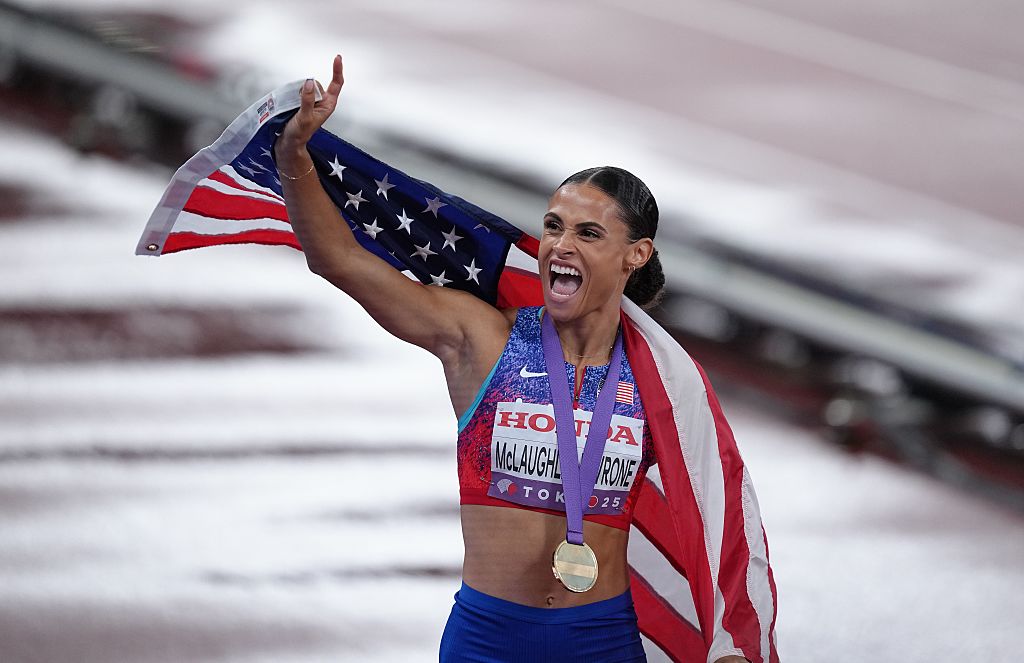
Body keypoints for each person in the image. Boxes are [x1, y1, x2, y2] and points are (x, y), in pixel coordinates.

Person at [273, 55, 772, 663]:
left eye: (588, 235)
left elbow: (710, 511)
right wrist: (295, 152)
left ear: (635, 255)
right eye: (554, 227)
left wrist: (724, 642)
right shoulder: (482, 341)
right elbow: (340, 261)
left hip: (604, 642)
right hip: (488, 641)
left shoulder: (660, 381)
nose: (561, 246)